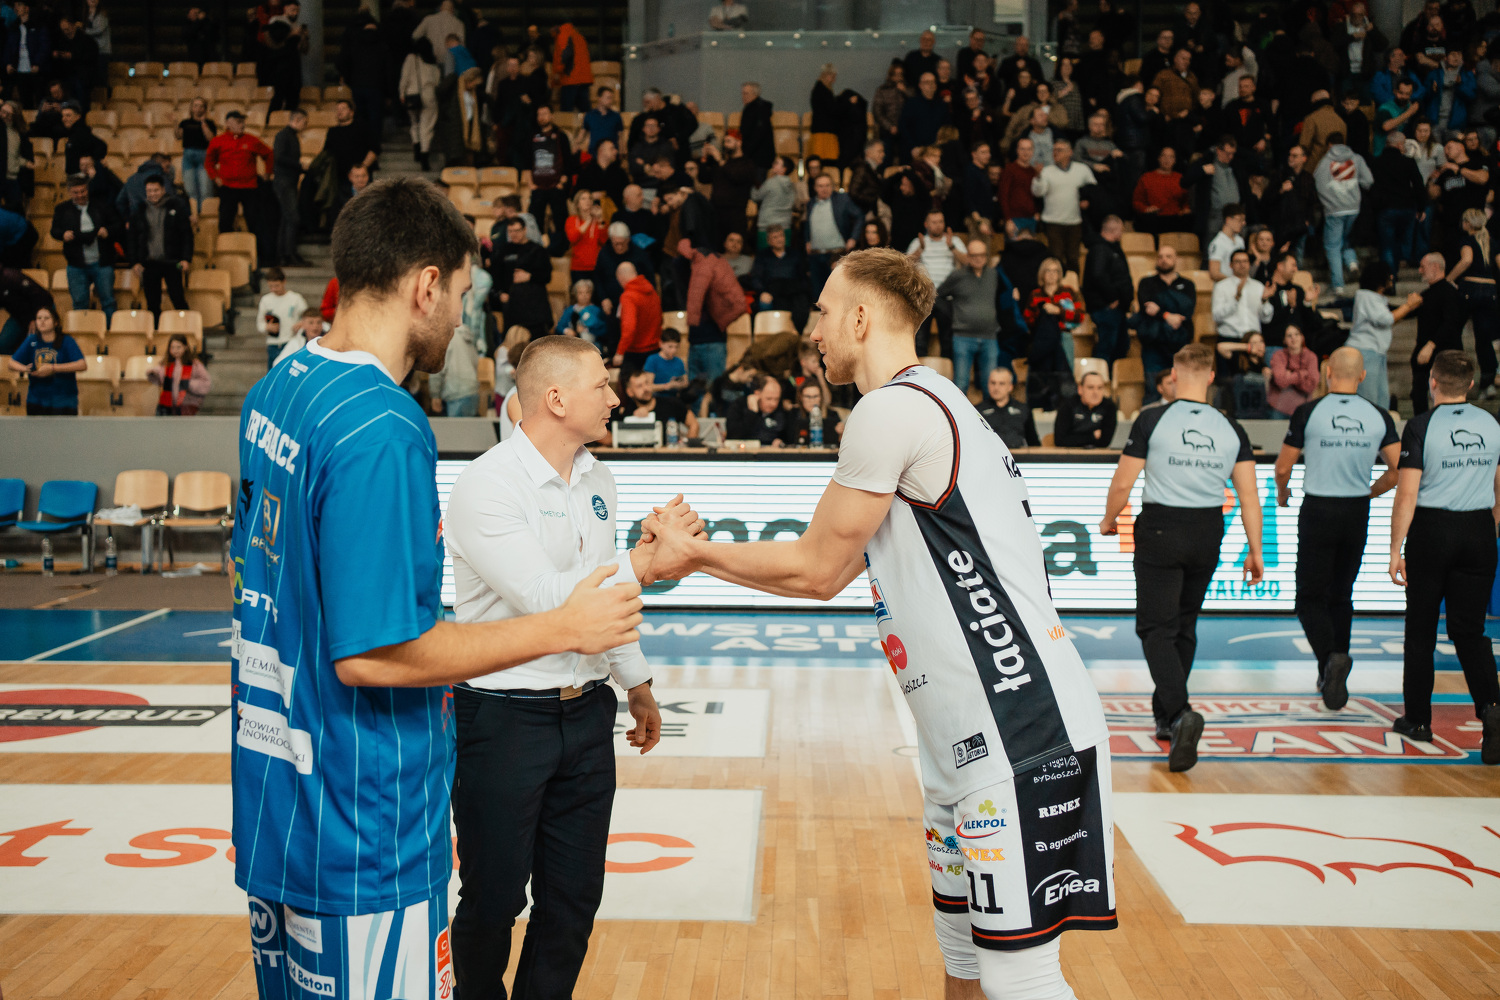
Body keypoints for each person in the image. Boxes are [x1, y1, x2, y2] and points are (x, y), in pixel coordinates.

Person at [648, 245, 1117, 999]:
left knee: (1020, 978)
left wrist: (694, 554)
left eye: (824, 312)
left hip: (1020, 727)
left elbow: (817, 568)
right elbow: (839, 568)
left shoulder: (891, 409)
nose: (813, 331)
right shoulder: (934, 400)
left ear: (862, 318)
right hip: (964, 739)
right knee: (965, 963)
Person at [230, 177, 648, 1000]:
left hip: (279, 807)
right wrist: (566, 626)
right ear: (425, 285)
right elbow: (376, 654)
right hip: (363, 822)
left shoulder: (277, 387)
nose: (461, 317)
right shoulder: (382, 427)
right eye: (460, 294)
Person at [1101, 343, 1263, 771]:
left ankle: (1179, 713)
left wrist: (1108, 519)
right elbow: (1249, 497)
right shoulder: (1231, 428)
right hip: (1208, 530)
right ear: (1211, 377)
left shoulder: (1153, 419)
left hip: (1160, 528)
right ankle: (1166, 717)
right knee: (1184, 624)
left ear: (1173, 375)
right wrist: (1255, 550)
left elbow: (1123, 483)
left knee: (1155, 628)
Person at [1389, 349, 1500, 763]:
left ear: (1432, 382)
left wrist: (1395, 549)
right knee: (1470, 631)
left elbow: (1407, 493)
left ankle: (1418, 720)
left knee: (1420, 630)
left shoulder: (1421, 426)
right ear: (1470, 384)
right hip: (1479, 529)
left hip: (1432, 531)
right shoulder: (1491, 423)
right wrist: (1490, 527)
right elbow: (1499, 485)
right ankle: (1492, 709)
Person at [1274, 346, 1400, 709]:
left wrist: (1282, 493)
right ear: (1363, 376)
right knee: (1341, 595)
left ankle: (1330, 658)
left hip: (1318, 509)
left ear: (1328, 373)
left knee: (1308, 597)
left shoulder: (1308, 412)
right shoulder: (1379, 415)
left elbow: (1283, 467)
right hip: (1356, 511)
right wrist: (1369, 492)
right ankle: (1331, 675)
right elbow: (1397, 470)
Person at [1350, 263, 1422, 410]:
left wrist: (1409, 308)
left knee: (1382, 399)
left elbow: (1390, 319)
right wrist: (1409, 305)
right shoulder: (1366, 296)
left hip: (1376, 352)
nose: (1392, 277)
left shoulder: (1376, 298)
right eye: (1388, 275)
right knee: (1369, 399)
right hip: (1365, 352)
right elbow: (1386, 319)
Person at [51, 173, 120, 321]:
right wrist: (63, 235)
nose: (80, 195)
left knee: (108, 301)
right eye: (76, 192)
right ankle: (82, 330)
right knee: (79, 302)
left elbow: (117, 225)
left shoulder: (101, 206)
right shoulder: (62, 209)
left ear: (87, 190)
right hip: (76, 265)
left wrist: (107, 231)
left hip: (102, 263)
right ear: (69, 192)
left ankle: (110, 330)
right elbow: (54, 231)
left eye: (83, 191)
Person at [1446, 207, 1499, 396]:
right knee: (1484, 340)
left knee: (1454, 332)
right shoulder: (1492, 242)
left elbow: (1466, 260)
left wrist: (1449, 279)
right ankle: (1488, 383)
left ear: (1468, 223)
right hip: (1490, 291)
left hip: (1470, 289)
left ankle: (1458, 374)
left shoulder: (1467, 241)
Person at [679, 237, 745, 385]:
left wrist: (720, 321)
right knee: (705, 389)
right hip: (703, 339)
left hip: (709, 339)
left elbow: (695, 299)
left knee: (708, 389)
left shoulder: (704, 262)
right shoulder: (716, 262)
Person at [1131, 245, 1195, 398]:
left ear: (1176, 259)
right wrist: (1168, 315)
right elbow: (1147, 308)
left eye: (1168, 256)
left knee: (1181, 391)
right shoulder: (1146, 283)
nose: (1164, 260)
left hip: (1179, 345)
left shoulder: (1187, 284)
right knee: (1153, 390)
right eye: (1160, 257)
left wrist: (1159, 311)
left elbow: (1187, 310)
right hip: (1153, 344)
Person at [1312, 132, 1374, 290]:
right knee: (1345, 237)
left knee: (1332, 246)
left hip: (1334, 210)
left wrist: (1328, 201)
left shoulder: (1325, 162)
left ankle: (1338, 284)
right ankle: (1351, 262)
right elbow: (1368, 181)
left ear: (1329, 145)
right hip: (1353, 208)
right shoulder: (1356, 158)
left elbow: (1317, 183)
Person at [126, 174, 192, 318]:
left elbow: (186, 234)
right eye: (149, 191)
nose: (152, 194)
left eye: (155, 190)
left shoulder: (176, 206)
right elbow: (132, 238)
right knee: (152, 303)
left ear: (163, 190)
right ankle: (155, 330)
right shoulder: (139, 210)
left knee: (178, 299)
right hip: (149, 263)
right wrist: (134, 261)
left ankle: (187, 327)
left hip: (172, 262)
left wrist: (186, 258)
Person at [205, 111, 273, 245]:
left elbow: (269, 154)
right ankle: (226, 248)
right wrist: (215, 177)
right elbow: (209, 162)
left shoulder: (251, 140)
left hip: (249, 187)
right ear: (228, 124)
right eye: (238, 122)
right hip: (228, 187)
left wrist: (267, 173)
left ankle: (257, 251)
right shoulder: (218, 141)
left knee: (254, 221)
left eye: (243, 122)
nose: (242, 125)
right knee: (225, 221)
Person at [1023, 257, 1082, 410]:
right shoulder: (1035, 294)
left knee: (1064, 374)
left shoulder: (1068, 292)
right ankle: (1042, 406)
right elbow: (1028, 320)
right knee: (1041, 375)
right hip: (1042, 340)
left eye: (1055, 271)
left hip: (1063, 337)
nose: (1051, 274)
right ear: (1042, 274)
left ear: (1059, 274)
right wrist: (1042, 315)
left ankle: (1067, 408)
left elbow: (1079, 316)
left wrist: (1058, 311)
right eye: (1048, 271)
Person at [1410, 251, 1465, 413]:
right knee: (1418, 393)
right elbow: (1409, 311)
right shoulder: (1427, 295)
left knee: (1448, 395)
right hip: (1426, 353)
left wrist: (1431, 345)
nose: (1420, 270)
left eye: (1423, 267)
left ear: (1435, 267)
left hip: (1446, 354)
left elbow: (1451, 323)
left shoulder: (1449, 293)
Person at [1030, 138, 1093, 276]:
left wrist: (1087, 199)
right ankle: (1057, 285)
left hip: (1074, 222)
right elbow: (1038, 192)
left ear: (1070, 152)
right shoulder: (1047, 171)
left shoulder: (1082, 169)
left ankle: (1073, 286)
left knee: (1073, 258)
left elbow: (1093, 189)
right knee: (1056, 257)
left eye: (1059, 150)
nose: (1055, 153)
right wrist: (1038, 177)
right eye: (1054, 150)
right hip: (1053, 222)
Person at [7, 305, 83, 415]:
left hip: (63, 401)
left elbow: (81, 364)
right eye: (39, 318)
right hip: (36, 400)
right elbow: (11, 363)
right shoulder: (32, 340)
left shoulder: (67, 341)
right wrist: (26, 369)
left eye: (46, 318)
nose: (42, 321)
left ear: (56, 322)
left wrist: (53, 368)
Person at [1371, 128, 1427, 274]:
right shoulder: (1408, 162)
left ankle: (1389, 278)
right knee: (1400, 243)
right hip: (1406, 208)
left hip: (1385, 209)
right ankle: (1400, 264)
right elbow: (1419, 185)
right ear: (1400, 145)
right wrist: (1421, 207)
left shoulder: (1377, 162)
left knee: (1387, 246)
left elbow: (1371, 186)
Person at [1083, 216, 1135, 367]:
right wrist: (1112, 298)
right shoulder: (1100, 248)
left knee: (1120, 346)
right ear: (1115, 230)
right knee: (1106, 348)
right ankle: (1100, 378)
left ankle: (1112, 377)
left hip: (1115, 308)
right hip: (1106, 308)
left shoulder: (1110, 248)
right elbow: (1098, 275)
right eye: (1121, 230)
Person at [801, 172, 860, 297]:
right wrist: (807, 240)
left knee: (836, 294)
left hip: (836, 254)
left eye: (827, 185)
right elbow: (807, 224)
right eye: (821, 186)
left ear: (832, 186)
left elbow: (860, 216)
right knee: (818, 294)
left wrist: (853, 238)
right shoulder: (811, 203)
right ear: (815, 188)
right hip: (816, 254)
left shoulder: (842, 200)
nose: (824, 189)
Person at [611, 365, 698, 441]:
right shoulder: (625, 412)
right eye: (639, 386)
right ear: (630, 392)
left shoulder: (672, 403)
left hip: (669, 452)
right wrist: (635, 419)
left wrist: (685, 447)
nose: (646, 388)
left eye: (647, 383)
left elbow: (694, 424)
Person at [270, 109, 307, 267]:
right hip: (284, 182)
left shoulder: (290, 136)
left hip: (288, 181)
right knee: (292, 218)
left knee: (287, 219)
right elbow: (279, 157)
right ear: (297, 119)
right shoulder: (283, 135)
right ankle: (289, 254)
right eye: (304, 122)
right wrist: (300, 166)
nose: (305, 126)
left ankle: (284, 255)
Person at [1212, 249, 1272, 344]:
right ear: (1230, 265)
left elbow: (1266, 319)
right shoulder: (1221, 286)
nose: (1242, 265)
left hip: (1253, 340)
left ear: (1249, 264)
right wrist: (1236, 298)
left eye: (1245, 261)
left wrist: (1264, 301)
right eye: (1238, 262)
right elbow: (1216, 316)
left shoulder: (1258, 286)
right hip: (1229, 338)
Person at [401, 38, 442, 171]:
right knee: (427, 126)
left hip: (412, 94)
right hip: (429, 95)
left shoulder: (411, 58)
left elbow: (405, 77)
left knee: (414, 123)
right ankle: (424, 154)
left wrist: (401, 93)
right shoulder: (433, 62)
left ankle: (417, 146)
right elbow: (437, 81)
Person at [613, 261, 661, 373]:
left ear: (620, 277)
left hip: (635, 352)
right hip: (654, 348)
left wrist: (620, 352)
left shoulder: (628, 296)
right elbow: (659, 318)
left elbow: (629, 327)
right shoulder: (652, 291)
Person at [257, 267, 309, 370]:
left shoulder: (295, 298)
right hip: (273, 343)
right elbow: (260, 324)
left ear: (284, 282)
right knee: (273, 373)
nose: (274, 289)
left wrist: (301, 323)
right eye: (271, 286)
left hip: (291, 341)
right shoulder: (266, 300)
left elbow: (307, 316)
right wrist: (267, 327)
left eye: (276, 286)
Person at [147, 333, 210, 415]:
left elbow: (206, 383)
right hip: (169, 405)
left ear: (185, 347)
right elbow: (160, 377)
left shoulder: (194, 364)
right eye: (172, 347)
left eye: (178, 347)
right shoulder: (166, 364)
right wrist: (153, 374)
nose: (175, 350)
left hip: (188, 404)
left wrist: (189, 384)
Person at [976, 366, 1039, 448]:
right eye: (993, 383)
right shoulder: (977, 411)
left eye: (1001, 383)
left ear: (1010, 387)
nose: (996, 387)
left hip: (1017, 455)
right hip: (988, 454)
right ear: (987, 384)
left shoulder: (1023, 410)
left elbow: (1034, 443)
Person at [428, 321, 480, 416]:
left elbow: (436, 368)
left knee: (456, 425)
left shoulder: (443, 336)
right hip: (472, 390)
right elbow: (476, 362)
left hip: (455, 392)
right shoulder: (466, 335)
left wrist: (435, 395)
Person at [174, 97, 217, 214]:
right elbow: (178, 136)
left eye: (201, 106)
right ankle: (193, 214)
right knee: (190, 190)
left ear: (204, 109)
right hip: (188, 156)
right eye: (196, 105)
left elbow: (211, 139)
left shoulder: (210, 123)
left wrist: (203, 123)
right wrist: (175, 123)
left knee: (205, 189)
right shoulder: (185, 123)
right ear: (192, 108)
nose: (198, 108)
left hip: (204, 155)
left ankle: (206, 214)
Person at [1266, 326, 1320, 416]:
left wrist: (1289, 376)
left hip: (1303, 408)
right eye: (1289, 335)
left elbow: (1311, 385)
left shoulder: (1311, 357)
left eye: (1296, 334)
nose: (1293, 338)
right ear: (1284, 340)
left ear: (1302, 337)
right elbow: (1280, 381)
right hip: (1279, 407)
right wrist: (1302, 374)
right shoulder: (1278, 355)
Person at [1054, 371, 1118, 447]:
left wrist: (1075, 438)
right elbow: (1060, 441)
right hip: (1069, 453)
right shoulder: (1067, 406)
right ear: (1080, 389)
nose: (1095, 392)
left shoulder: (1109, 407)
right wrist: (1092, 436)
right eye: (1090, 387)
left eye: (1100, 388)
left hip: (1097, 453)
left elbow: (1104, 442)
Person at [726, 373, 789, 445]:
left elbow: (787, 437)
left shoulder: (780, 410)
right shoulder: (739, 406)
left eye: (776, 399)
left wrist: (780, 441)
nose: (773, 404)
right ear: (757, 394)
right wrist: (752, 413)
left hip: (771, 451)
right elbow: (734, 436)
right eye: (769, 399)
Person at [1205, 203, 1246, 282]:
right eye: (1240, 220)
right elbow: (1214, 273)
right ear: (1228, 220)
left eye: (1244, 220)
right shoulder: (1218, 243)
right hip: (1224, 285)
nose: (1243, 223)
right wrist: (1233, 281)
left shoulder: (1240, 240)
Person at [555, 279, 605, 343]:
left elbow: (603, 330)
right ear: (576, 294)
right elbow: (559, 327)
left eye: (587, 292)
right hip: (572, 342)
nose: (584, 295)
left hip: (591, 344)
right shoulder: (570, 310)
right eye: (580, 293)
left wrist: (586, 330)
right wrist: (567, 330)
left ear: (591, 294)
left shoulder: (596, 310)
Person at [643, 328, 688, 396]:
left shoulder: (679, 361)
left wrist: (678, 384)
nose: (673, 350)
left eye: (676, 347)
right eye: (670, 347)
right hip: (657, 397)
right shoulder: (653, 360)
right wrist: (667, 386)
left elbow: (685, 383)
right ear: (661, 344)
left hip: (675, 397)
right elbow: (649, 386)